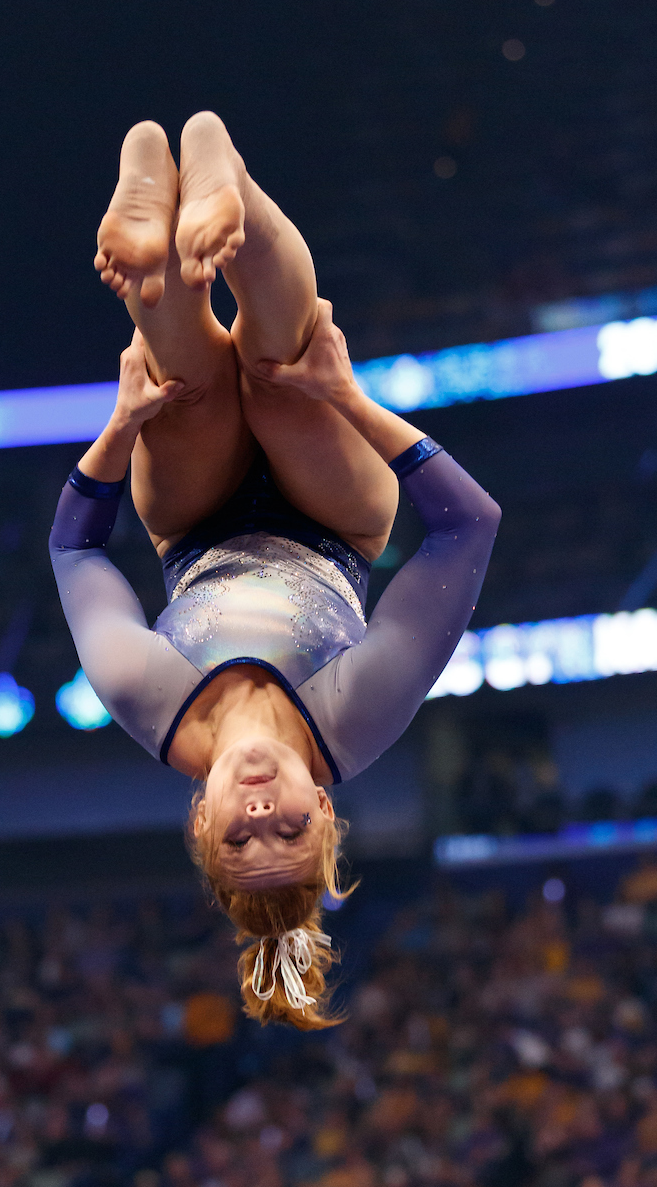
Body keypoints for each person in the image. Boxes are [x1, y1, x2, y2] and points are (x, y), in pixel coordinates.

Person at [50, 113, 501, 1028]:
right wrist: (348, 398)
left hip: (195, 526)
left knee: (181, 387)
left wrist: (123, 424)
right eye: (289, 829)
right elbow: (467, 529)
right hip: (333, 521)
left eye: (239, 835)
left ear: (200, 820)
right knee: (280, 369)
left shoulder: (148, 698)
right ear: (325, 810)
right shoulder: (356, 716)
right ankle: (233, 196)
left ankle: (152, 258)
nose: (262, 811)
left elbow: (75, 550)